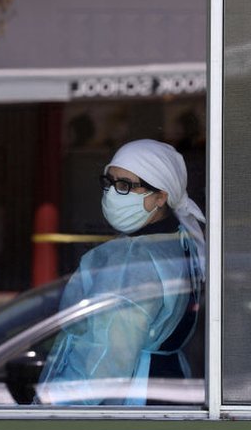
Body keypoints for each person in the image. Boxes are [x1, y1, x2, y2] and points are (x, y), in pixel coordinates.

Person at [37, 139, 205, 406]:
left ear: (161, 197)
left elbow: (107, 360)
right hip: (169, 389)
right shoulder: (180, 242)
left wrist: (55, 406)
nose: (112, 193)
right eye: (110, 182)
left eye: (125, 185)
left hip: (131, 401)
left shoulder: (132, 260)